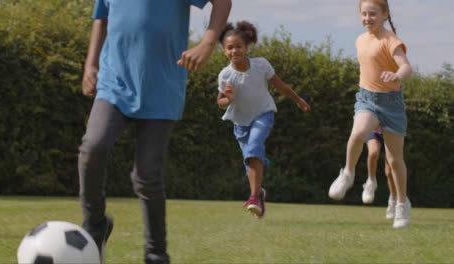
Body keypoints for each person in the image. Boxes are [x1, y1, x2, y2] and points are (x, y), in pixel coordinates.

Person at [79, 0, 231, 263]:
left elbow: (222, 2)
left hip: (162, 85)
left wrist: (207, 42)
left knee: (147, 174)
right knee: (93, 146)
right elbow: (101, 19)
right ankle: (95, 224)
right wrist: (90, 65)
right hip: (113, 82)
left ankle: (156, 252)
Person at [328, 0, 412, 228]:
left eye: (373, 14)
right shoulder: (360, 40)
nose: (367, 18)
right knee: (357, 134)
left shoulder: (391, 41)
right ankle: (347, 174)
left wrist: (397, 76)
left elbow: (406, 67)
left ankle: (402, 204)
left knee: (394, 160)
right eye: (364, 14)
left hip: (391, 104)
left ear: (384, 14)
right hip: (367, 100)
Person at [216, 21, 311, 218]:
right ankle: (259, 194)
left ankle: (252, 197)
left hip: (263, 114)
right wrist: (229, 99)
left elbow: (281, 86)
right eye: (229, 48)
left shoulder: (261, 65)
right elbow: (220, 102)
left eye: (239, 46)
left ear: (247, 46)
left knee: (253, 148)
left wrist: (298, 100)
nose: (235, 51)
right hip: (240, 123)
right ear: (224, 50)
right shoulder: (225, 75)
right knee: (250, 160)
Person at [363, 128, 397, 219]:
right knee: (373, 152)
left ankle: (393, 201)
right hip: (374, 129)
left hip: (391, 129)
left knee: (389, 171)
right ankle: (371, 181)